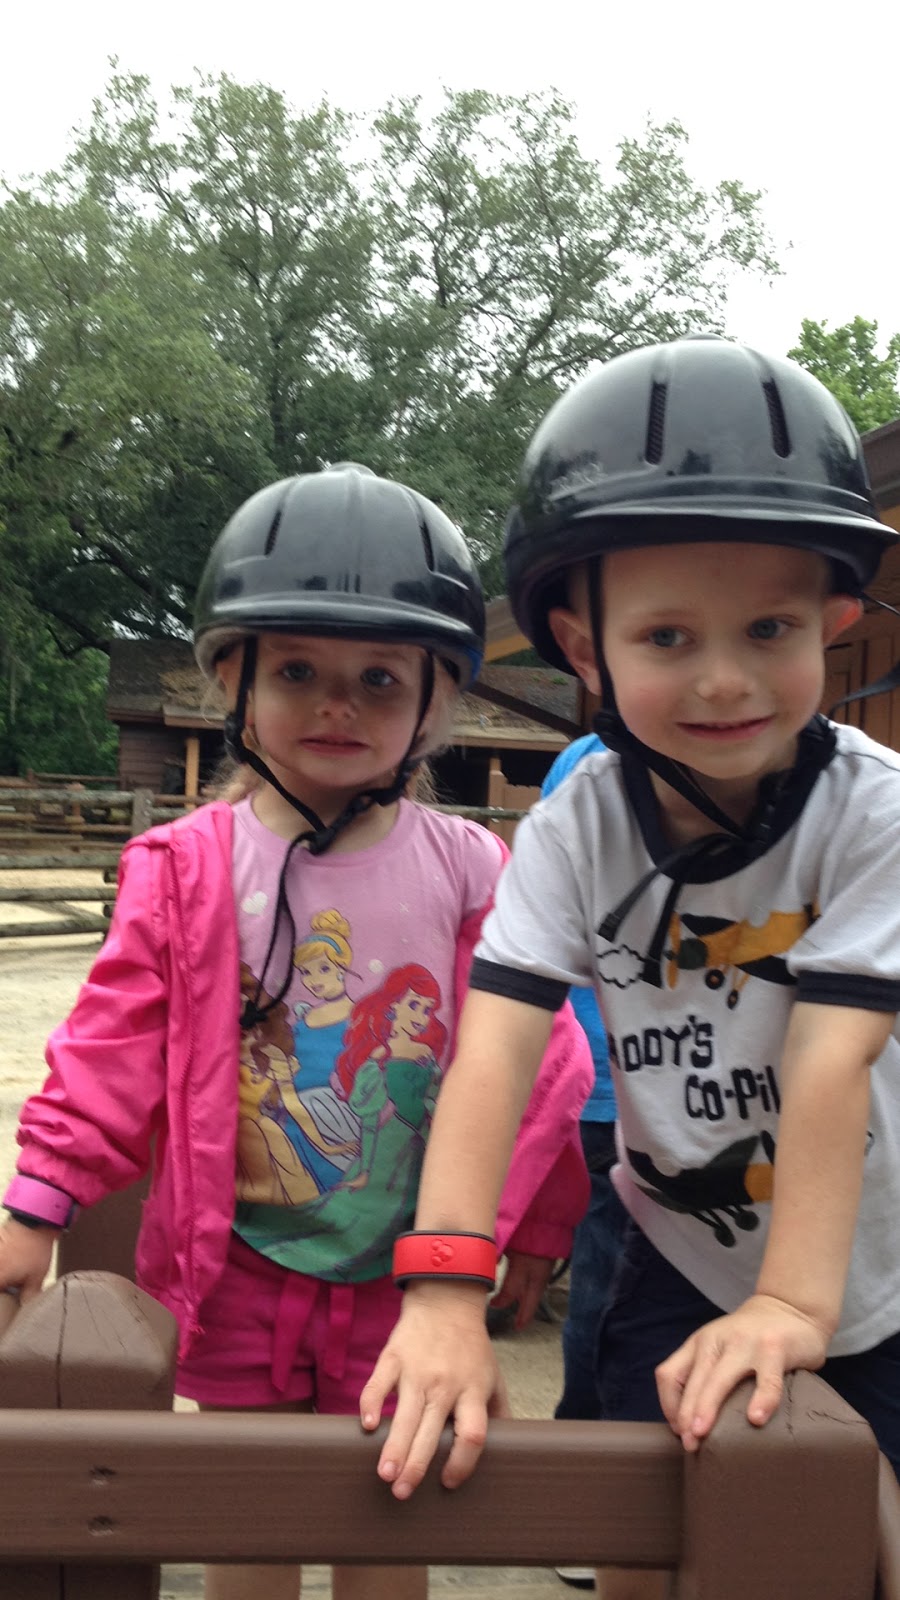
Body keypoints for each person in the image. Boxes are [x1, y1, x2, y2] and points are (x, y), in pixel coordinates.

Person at [359, 336, 900, 1600]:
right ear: (583, 643)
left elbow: (831, 1059)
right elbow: (495, 1049)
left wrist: (796, 1310)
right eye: (666, 634)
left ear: (833, 623)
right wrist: (443, 1290)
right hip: (677, 1242)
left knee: (866, 1540)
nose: (724, 677)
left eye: (769, 627)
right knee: (640, 1515)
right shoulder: (578, 822)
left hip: (869, 1252)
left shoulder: (873, 814)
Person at [0, 464, 593, 1600]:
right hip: (240, 1266)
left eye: (379, 678)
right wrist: (37, 1207)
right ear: (234, 680)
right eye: (298, 671)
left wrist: (538, 1226)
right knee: (252, 1517)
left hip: (405, 1272)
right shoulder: (186, 867)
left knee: (392, 1516)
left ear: (437, 699)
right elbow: (111, 1048)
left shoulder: (472, 869)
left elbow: (539, 1061)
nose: (338, 705)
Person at [541, 735, 627, 1595]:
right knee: (602, 1291)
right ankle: (589, 1496)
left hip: (633, 1086)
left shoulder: (581, 759)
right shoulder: (592, 763)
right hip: (607, 1087)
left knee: (611, 1292)